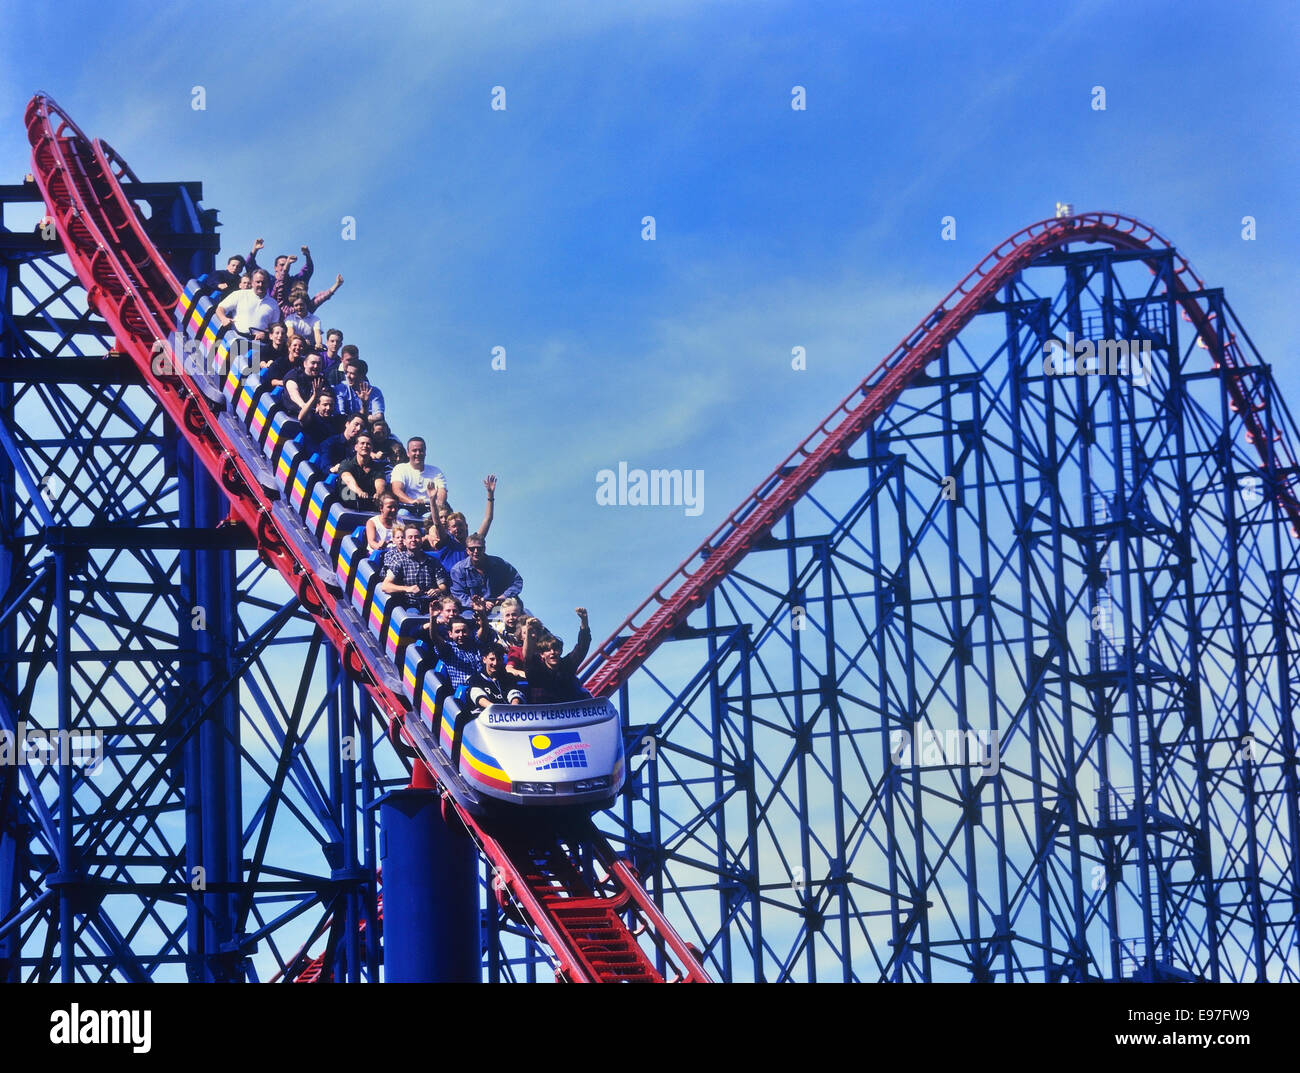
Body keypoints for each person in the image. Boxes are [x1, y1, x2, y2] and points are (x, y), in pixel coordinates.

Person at [520, 609, 592, 704]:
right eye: (548, 650)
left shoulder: (567, 665)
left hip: (567, 712)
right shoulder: (536, 668)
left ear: (561, 651)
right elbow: (527, 656)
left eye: (555, 649)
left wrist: (584, 621)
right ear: (542, 654)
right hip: (541, 713)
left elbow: (582, 647)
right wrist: (529, 631)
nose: (552, 652)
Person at [429, 476, 495, 571]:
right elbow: (437, 524)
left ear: (466, 526)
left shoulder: (473, 542)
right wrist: (432, 500)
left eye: (460, 525)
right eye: (454, 526)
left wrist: (490, 495)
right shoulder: (447, 542)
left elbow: (488, 519)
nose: (457, 529)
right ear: (449, 529)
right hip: (450, 583)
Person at [379, 525, 450, 612]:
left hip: (432, 605)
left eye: (417, 537)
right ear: (404, 541)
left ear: (421, 540)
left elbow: (443, 586)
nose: (413, 540)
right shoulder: (398, 560)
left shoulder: (433, 561)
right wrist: (407, 589)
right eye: (410, 537)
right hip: (409, 605)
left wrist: (437, 590)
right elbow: (385, 586)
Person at [449, 534, 522, 613]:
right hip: (471, 610)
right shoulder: (458, 570)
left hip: (501, 607)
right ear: (467, 550)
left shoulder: (499, 564)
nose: (476, 551)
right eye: (472, 549)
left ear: (484, 549)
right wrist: (477, 603)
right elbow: (458, 594)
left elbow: (517, 581)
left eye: (479, 548)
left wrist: (504, 596)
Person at [388, 437, 447, 520]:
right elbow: (396, 490)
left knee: (433, 518)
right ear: (408, 453)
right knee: (402, 515)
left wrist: (438, 503)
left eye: (421, 450)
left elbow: (442, 491)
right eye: (414, 450)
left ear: (425, 452)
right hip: (407, 507)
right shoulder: (400, 468)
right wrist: (411, 501)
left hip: (429, 509)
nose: (418, 453)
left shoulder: (436, 471)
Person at [428, 609, 486, 688]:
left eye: (464, 631)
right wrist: (433, 618)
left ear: (469, 632)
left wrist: (481, 612)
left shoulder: (474, 646)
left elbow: (484, 630)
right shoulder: (449, 649)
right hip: (465, 690)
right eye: (457, 631)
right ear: (450, 634)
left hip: (483, 686)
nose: (461, 635)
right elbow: (435, 637)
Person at [215, 268, 279, 339]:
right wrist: (223, 318)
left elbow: (274, 326)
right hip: (237, 337)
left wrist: (265, 333)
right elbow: (220, 308)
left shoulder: (273, 304)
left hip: (258, 342)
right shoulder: (240, 294)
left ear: (268, 283)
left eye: (263, 282)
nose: (260, 285)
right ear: (252, 282)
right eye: (258, 282)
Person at [337, 433, 387, 511]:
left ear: (372, 448)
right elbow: (348, 480)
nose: (365, 446)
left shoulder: (377, 467)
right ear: (356, 447)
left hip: (368, 507)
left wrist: (379, 493)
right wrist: (359, 491)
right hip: (345, 505)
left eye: (368, 444)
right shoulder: (346, 463)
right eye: (362, 443)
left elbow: (380, 483)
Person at [298, 386, 342, 450]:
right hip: (312, 456)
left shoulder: (336, 422)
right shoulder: (312, 418)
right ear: (318, 405)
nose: (328, 408)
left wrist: (362, 403)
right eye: (325, 405)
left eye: (331, 405)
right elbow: (301, 418)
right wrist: (314, 396)